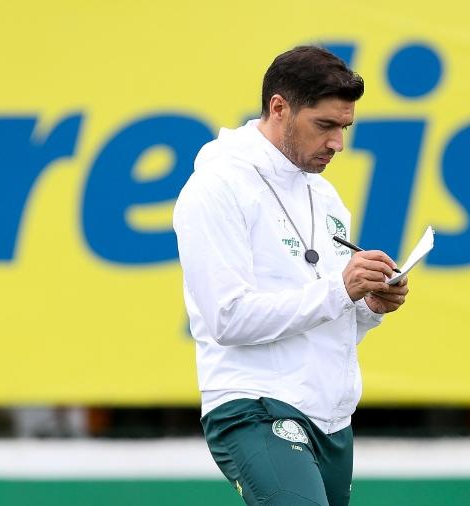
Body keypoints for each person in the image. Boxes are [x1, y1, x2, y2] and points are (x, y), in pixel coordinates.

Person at [173, 46, 410, 506]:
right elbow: (228, 319)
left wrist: (368, 306)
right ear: (279, 107)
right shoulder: (217, 186)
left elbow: (325, 316)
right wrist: (341, 289)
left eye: (344, 128)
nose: (337, 144)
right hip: (252, 405)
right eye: (325, 125)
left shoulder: (324, 196)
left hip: (329, 416)